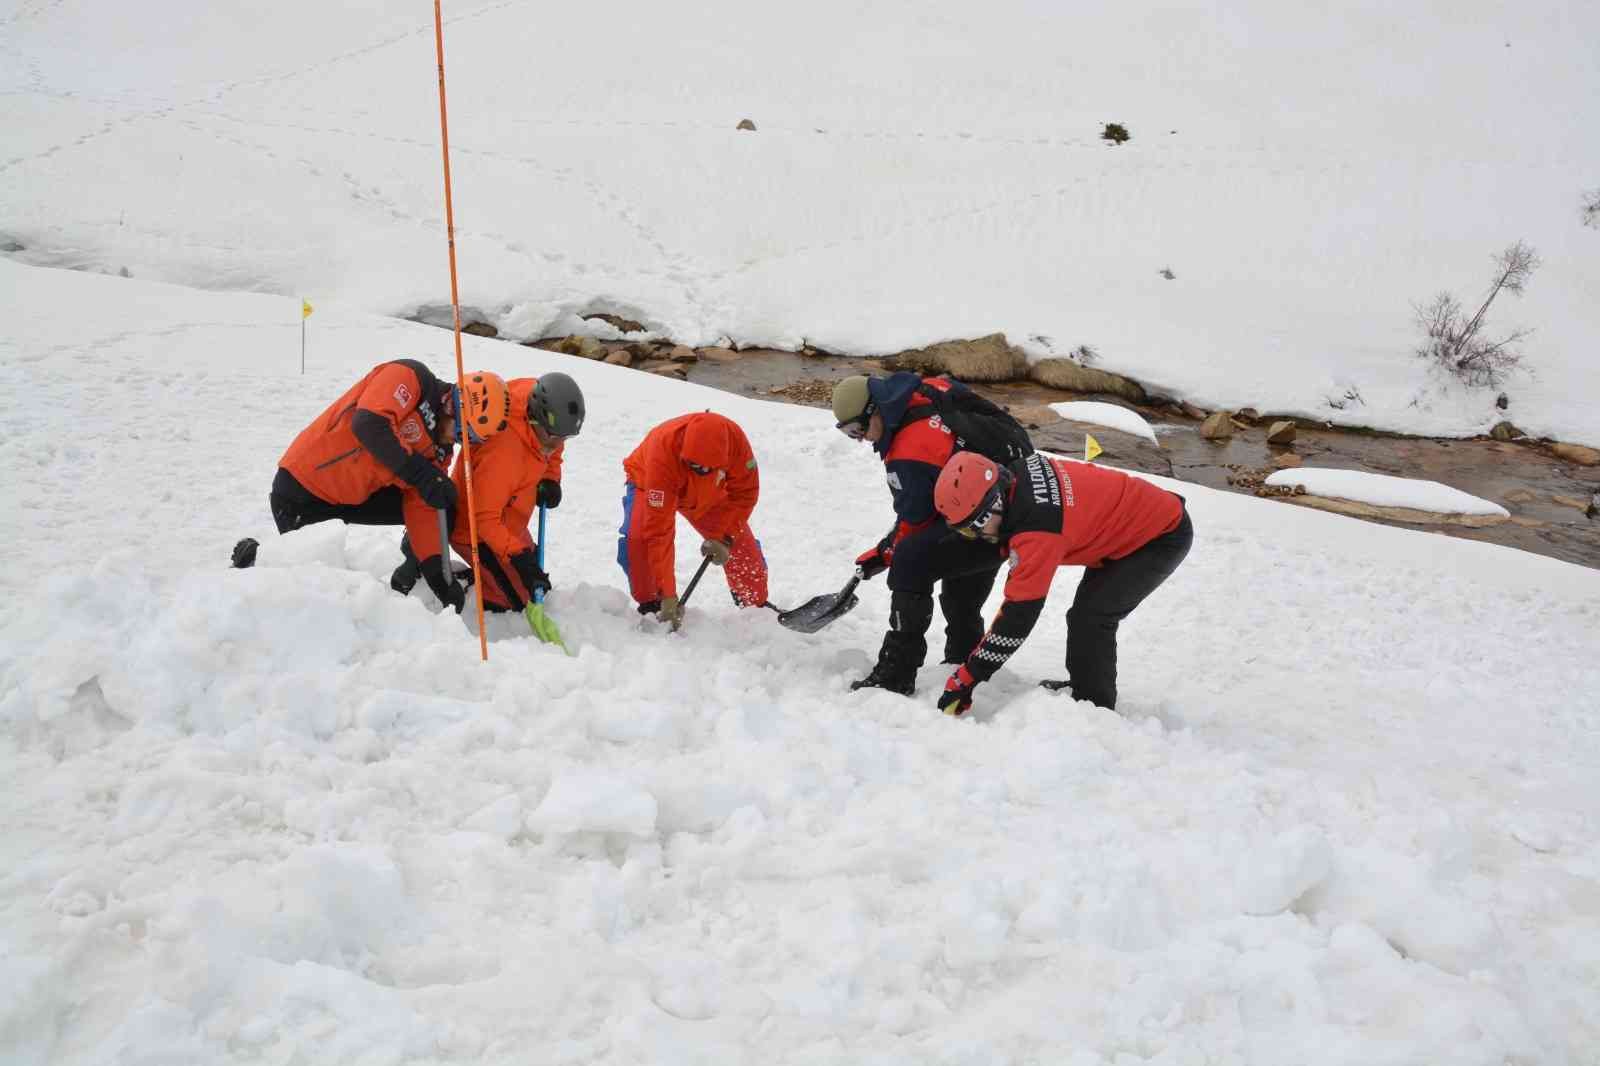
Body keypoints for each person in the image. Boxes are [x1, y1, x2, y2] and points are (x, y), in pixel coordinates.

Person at [930, 450, 1193, 716]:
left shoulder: (1039, 530)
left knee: (1091, 618)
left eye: (972, 527)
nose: (974, 536)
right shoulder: (1016, 475)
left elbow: (1017, 618)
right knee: (1085, 615)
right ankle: (1086, 690)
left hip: (1159, 536)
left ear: (994, 504)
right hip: (1129, 521)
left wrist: (969, 677)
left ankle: (1094, 710)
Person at [831, 373, 1025, 695]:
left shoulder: (909, 453)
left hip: (990, 515)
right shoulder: (924, 389)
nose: (861, 439)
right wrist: (885, 547)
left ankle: (896, 674)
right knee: (959, 587)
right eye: (850, 434)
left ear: (875, 409)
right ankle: (964, 663)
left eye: (858, 429)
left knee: (911, 562)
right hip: (1013, 499)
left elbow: (916, 520)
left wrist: (887, 553)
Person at [232, 358, 472, 610]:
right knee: (310, 588)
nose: (452, 440)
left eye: (461, 440)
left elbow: (423, 507)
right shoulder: (411, 377)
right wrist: (421, 472)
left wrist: (439, 577)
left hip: (351, 498)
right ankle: (255, 559)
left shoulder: (440, 450)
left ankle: (410, 576)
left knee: (441, 499)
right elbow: (369, 424)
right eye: (458, 433)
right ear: (451, 405)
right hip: (303, 490)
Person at [391, 372, 586, 615]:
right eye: (554, 437)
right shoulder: (503, 457)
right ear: (535, 418)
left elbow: (554, 443)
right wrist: (518, 557)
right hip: (475, 529)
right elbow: (484, 520)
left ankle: (434, 543)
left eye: (565, 438)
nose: (558, 444)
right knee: (519, 600)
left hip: (510, 509)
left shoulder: (537, 401)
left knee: (532, 580)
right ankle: (426, 550)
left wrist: (550, 477)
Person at [618, 411, 767, 631]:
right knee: (640, 541)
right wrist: (667, 594)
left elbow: (745, 494)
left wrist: (725, 537)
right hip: (649, 480)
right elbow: (659, 531)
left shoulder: (735, 442)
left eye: (704, 468)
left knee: (742, 547)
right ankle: (654, 604)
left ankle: (756, 607)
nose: (699, 470)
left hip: (708, 492)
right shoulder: (663, 451)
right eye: (694, 466)